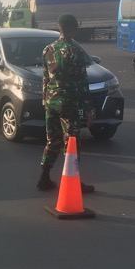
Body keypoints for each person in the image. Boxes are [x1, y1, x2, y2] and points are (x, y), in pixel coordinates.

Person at [37, 13, 96, 193]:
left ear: (58, 27)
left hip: (51, 102)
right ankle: (73, 182)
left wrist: (45, 101)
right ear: (75, 29)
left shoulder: (47, 49)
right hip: (67, 103)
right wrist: (88, 108)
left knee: (52, 140)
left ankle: (44, 178)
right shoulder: (75, 51)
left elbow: (45, 78)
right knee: (71, 143)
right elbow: (82, 82)